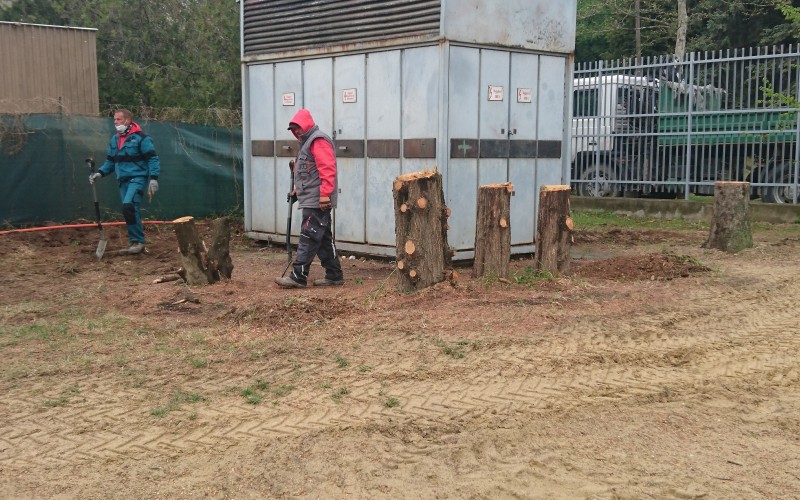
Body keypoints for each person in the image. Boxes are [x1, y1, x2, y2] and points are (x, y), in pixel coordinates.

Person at [275, 109, 344, 288]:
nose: (296, 131)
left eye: (298, 127)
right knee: (322, 239)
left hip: (318, 199)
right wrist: (298, 191)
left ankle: (298, 276)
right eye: (293, 129)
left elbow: (327, 169)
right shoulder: (307, 143)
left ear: (305, 124)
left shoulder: (318, 140)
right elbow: (310, 173)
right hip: (313, 197)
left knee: (309, 235)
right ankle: (334, 275)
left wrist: (324, 195)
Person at [89, 109, 160, 255]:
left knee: (129, 206)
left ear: (127, 120)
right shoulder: (115, 140)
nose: (115, 122)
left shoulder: (141, 138)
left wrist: (153, 178)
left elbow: (152, 158)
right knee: (130, 209)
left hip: (137, 178)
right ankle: (135, 242)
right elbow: (110, 161)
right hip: (123, 181)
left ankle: (137, 242)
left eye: (118, 120)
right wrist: (99, 173)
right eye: (114, 120)